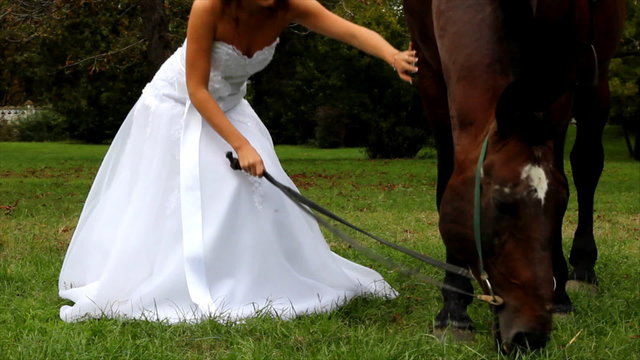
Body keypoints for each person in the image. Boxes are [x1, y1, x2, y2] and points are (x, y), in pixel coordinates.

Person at [58, 0, 419, 323]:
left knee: (262, 194)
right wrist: (240, 145)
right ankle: (174, 276)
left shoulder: (289, 6)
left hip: (230, 105)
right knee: (196, 195)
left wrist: (392, 56)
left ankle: (256, 273)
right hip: (177, 106)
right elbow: (197, 89)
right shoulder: (208, 7)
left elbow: (350, 31)